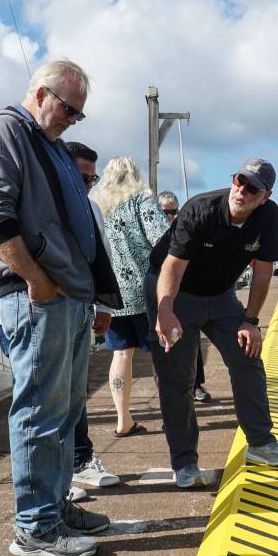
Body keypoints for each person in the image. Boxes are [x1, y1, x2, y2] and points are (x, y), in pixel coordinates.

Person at [0, 60, 122, 556]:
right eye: (67, 109)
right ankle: (35, 527)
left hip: (68, 297)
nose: (71, 120)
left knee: (65, 411)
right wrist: (38, 280)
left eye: (79, 115)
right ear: (40, 94)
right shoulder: (5, 132)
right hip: (39, 296)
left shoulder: (50, 144)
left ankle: (54, 509)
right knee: (39, 412)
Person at [147, 159, 278, 488]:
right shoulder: (200, 210)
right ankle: (184, 462)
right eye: (239, 180)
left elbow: (262, 271)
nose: (241, 190)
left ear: (265, 196)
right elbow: (171, 268)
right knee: (178, 377)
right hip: (176, 290)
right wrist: (165, 310)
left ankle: (260, 443)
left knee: (248, 356)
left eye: (252, 187)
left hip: (220, 293)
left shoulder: (269, 216)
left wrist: (251, 321)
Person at [91, 158, 169, 437]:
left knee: (121, 355)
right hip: (147, 291)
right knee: (162, 355)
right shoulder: (141, 201)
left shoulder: (98, 207)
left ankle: (123, 420)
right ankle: (171, 416)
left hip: (111, 297)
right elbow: (162, 239)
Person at [65, 140, 121, 489]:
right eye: (80, 177)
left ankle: (79, 459)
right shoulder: (42, 203)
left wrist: (103, 306)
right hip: (39, 310)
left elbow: (103, 256)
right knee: (43, 399)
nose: (87, 186)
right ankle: (56, 474)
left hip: (77, 309)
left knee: (74, 391)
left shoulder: (92, 210)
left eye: (91, 179)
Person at [158, 191, 211, 404]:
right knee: (165, 343)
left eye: (174, 211)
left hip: (187, 291)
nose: (170, 216)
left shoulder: (186, 228)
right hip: (163, 294)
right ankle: (172, 395)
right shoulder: (154, 230)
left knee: (192, 339)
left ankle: (196, 385)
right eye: (165, 212)